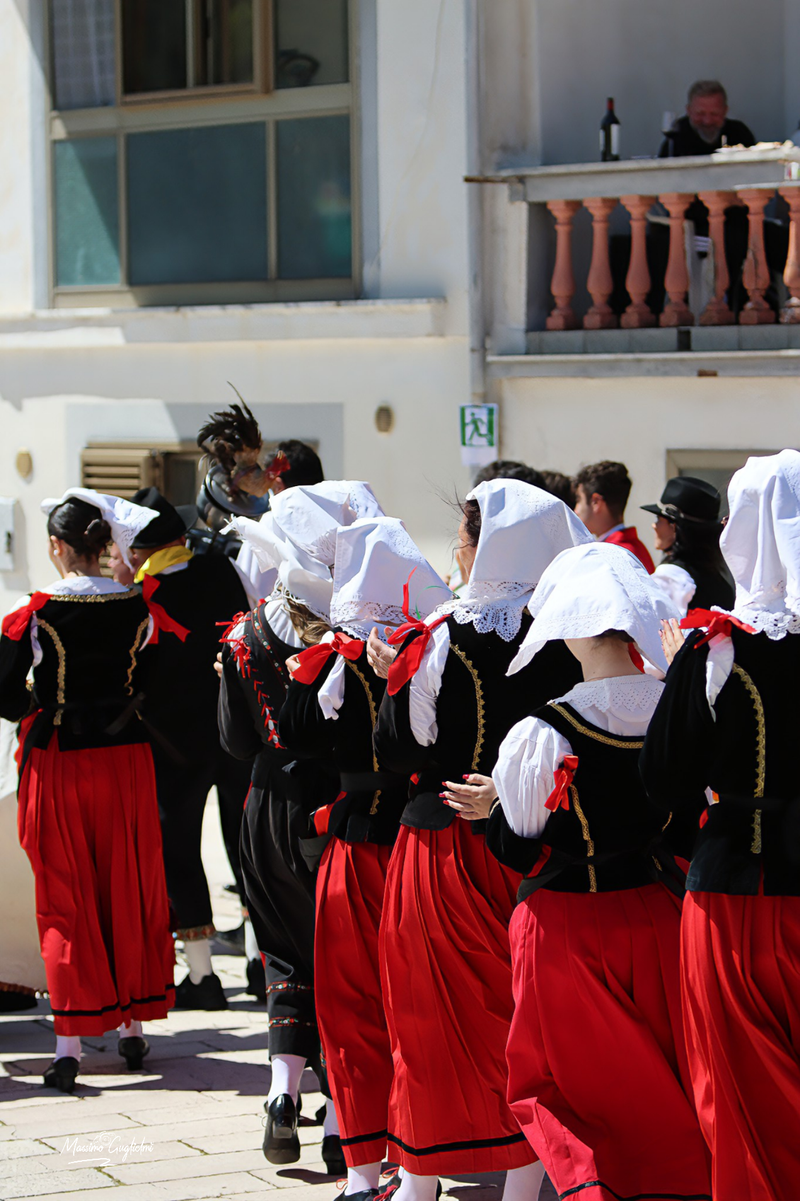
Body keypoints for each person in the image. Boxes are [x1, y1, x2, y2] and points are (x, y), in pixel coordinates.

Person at [372, 480, 592, 1201]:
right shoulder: (566, 633)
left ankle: (421, 1178)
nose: (457, 553)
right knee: (522, 1014)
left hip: (444, 846)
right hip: (532, 844)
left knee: (426, 1012)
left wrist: (392, 683)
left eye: (463, 540)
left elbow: (408, 745)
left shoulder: (440, 635)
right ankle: (524, 1180)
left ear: (485, 546)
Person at [481, 542, 710, 1201]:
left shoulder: (543, 730)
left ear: (572, 626)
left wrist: (496, 807)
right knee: (658, 1083)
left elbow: (518, 849)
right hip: (658, 916)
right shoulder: (675, 710)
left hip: (567, 929)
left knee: (558, 1084)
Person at [641, 450, 800, 1201]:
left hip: (730, 884)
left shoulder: (716, 647)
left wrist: (679, 677)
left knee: (732, 1083)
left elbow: (664, 779)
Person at [279, 517, 450, 1201]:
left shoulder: (338, 657)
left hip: (357, 852)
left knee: (350, 1010)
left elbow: (291, 735)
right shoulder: (432, 646)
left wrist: (316, 653)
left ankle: (361, 1170)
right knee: (419, 1009)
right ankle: (420, 1165)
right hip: (415, 848)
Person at [219, 480, 383, 1173]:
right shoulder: (356, 627)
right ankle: (340, 1120)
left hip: (264, 809)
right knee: (342, 967)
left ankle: (283, 1095)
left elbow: (232, 741)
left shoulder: (245, 631)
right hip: (332, 815)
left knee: (284, 956)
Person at [0, 490, 176, 1091]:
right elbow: (155, 678)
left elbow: (3, 695)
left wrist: (37, 703)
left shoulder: (37, 612)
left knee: (65, 889)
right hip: (126, 761)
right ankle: (131, 1029)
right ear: (102, 548)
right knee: (126, 883)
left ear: (56, 547)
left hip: (61, 761)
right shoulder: (140, 608)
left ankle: (69, 1043)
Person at [127, 486, 252, 1011]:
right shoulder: (222, 571)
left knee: (180, 853)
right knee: (243, 851)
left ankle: (202, 977)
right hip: (233, 734)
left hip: (172, 745)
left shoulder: (143, 592)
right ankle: (261, 964)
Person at [641, 475, 734, 613]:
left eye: (659, 519)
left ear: (673, 526)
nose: (654, 525)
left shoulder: (670, 577)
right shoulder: (722, 582)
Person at [573, 460, 655, 572]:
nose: (575, 510)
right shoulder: (637, 548)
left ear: (596, 502)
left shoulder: (607, 556)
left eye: (578, 500)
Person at [659, 80, 754, 158]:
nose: (707, 121)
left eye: (714, 114)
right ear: (689, 111)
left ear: (725, 111)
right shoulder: (676, 137)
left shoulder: (739, 133)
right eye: (700, 114)